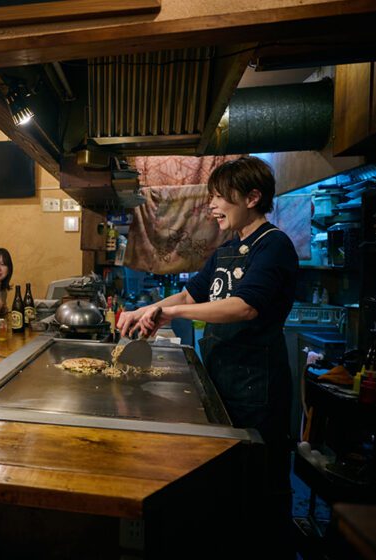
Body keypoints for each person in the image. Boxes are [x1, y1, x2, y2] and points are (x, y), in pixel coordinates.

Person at [117, 156, 298, 554]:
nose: (212, 206)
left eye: (220, 197)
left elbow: (245, 306)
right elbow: (188, 294)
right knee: (227, 488)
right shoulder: (227, 250)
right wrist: (145, 311)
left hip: (256, 385)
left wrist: (171, 313)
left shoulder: (275, 246)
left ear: (252, 197)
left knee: (259, 486)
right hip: (220, 375)